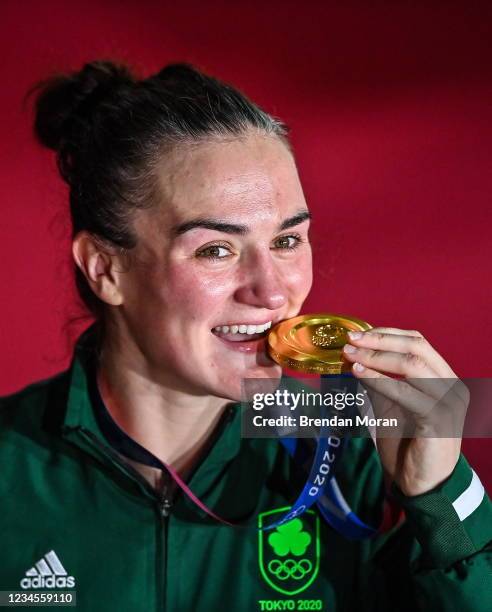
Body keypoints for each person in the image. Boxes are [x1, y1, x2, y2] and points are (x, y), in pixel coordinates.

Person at [0, 60, 490, 612]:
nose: (273, 292)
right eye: (216, 249)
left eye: (288, 241)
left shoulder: (359, 454)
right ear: (105, 269)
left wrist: (441, 499)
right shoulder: (9, 469)